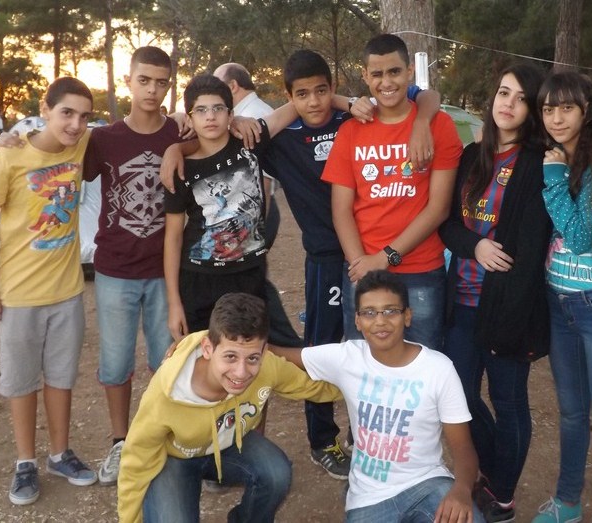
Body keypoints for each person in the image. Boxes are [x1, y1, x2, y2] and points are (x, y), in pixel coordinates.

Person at [162, 49, 442, 480]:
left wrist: (352, 103)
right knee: (317, 346)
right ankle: (320, 439)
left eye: (321, 92)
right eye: (302, 94)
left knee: (373, 341)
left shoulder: (356, 120)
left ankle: (373, 434)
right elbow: (224, 136)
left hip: (368, 252)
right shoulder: (277, 139)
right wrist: (175, 147)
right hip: (323, 259)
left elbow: (425, 96)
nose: (313, 101)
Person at [270, 270, 483, 523]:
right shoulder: (348, 357)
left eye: (391, 311)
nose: (380, 321)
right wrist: (239, 346)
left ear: (407, 316)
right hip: (368, 497)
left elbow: (463, 448)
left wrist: (461, 490)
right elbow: (281, 354)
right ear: (358, 321)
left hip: (426, 484)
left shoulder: (439, 369)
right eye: (369, 312)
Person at [0, 76, 97, 506]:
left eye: (84, 116)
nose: (75, 124)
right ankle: (25, 461)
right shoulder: (8, 157)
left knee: (61, 378)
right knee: (22, 381)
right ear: (45, 110)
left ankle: (59, 454)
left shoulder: (80, 144)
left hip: (67, 292)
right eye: (66, 113)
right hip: (19, 294)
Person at [117, 292, 342, 522]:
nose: (241, 372)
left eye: (252, 358)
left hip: (229, 443)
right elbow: (135, 462)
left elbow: (313, 387)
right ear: (207, 348)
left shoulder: (268, 366)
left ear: (264, 351)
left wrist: (360, 384)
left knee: (276, 474)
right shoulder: (167, 393)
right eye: (230, 357)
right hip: (174, 457)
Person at [438, 63, 551, 523]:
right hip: (461, 301)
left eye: (522, 98)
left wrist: (515, 312)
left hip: (508, 306)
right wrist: (475, 245)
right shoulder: (472, 156)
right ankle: (488, 469)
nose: (509, 104)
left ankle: (502, 492)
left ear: (533, 109)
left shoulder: (539, 163)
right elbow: (447, 225)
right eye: (504, 92)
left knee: (509, 403)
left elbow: (532, 245)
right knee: (460, 395)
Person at [80, 46, 183, 486]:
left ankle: (161, 436)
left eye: (161, 83)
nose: (152, 90)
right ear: (128, 81)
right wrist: (16, 141)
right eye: (144, 80)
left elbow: (213, 130)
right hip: (115, 269)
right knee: (115, 362)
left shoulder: (179, 132)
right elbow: (60, 157)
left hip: (164, 270)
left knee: (166, 361)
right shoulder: (104, 139)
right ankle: (120, 441)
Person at [322, 33, 463, 353]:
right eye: (377, 74)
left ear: (410, 71)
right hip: (362, 268)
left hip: (421, 270)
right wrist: (361, 265)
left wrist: (384, 258)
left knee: (422, 364)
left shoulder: (438, 126)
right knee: (363, 364)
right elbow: (341, 210)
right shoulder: (351, 131)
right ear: (365, 76)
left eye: (395, 72)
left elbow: (438, 208)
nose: (386, 82)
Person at [533, 72, 592, 522]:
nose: (556, 118)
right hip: (559, 304)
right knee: (571, 414)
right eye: (548, 109)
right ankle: (568, 503)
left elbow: (576, 236)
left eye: (567, 108)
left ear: (586, 111)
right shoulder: (556, 156)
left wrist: (553, 178)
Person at [164, 74, 271, 341]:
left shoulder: (250, 142)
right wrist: (174, 303)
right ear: (189, 119)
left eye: (218, 108)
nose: (210, 116)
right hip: (199, 278)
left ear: (230, 114)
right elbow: (173, 237)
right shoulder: (180, 167)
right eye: (201, 110)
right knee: (202, 351)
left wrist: (346, 102)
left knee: (247, 349)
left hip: (249, 274)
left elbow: (294, 107)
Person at [213, 61, 303, 349]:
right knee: (253, 281)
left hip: (257, 212)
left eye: (218, 84)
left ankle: (285, 346)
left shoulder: (255, 116)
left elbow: (263, 180)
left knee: (252, 282)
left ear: (233, 86)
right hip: (245, 215)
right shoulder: (244, 114)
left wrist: (255, 227)